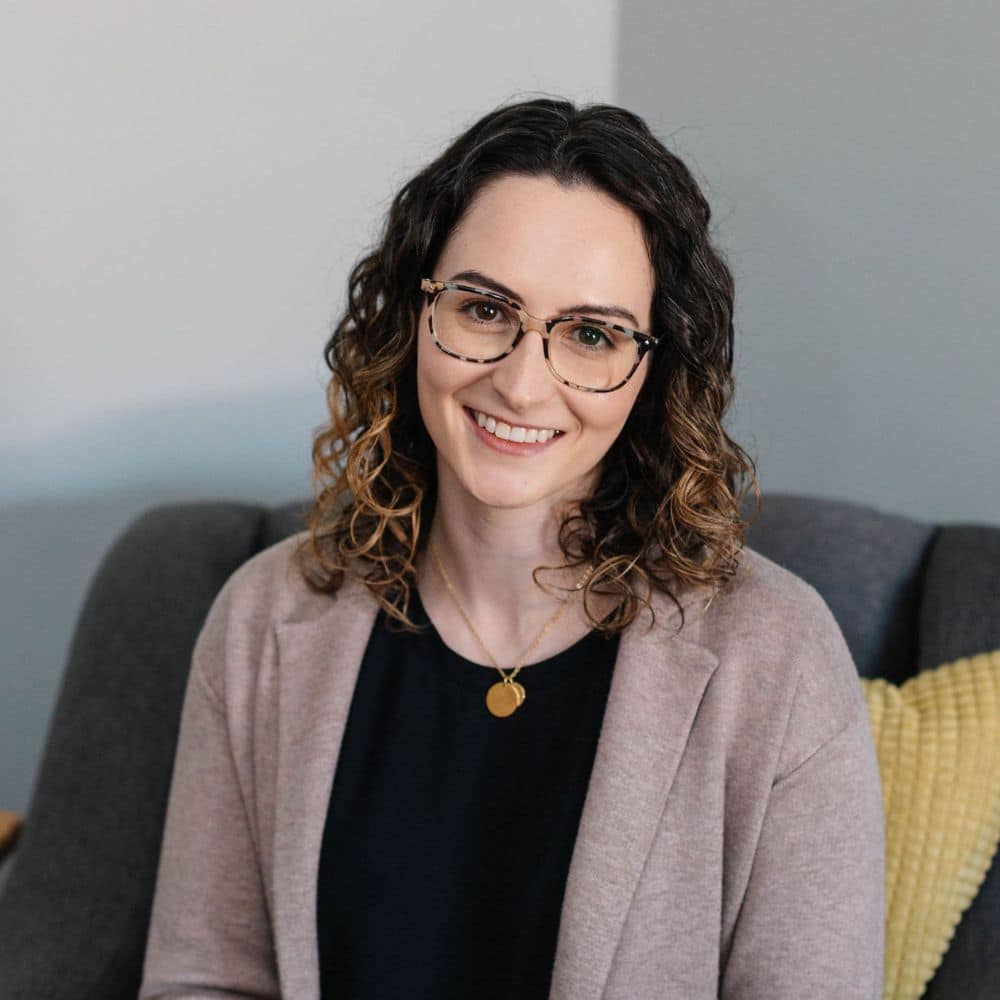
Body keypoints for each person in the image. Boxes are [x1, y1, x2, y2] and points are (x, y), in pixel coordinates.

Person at [139, 98, 885, 999]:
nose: (523, 384)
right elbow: (203, 981)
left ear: (655, 370)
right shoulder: (264, 617)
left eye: (592, 333)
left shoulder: (780, 660)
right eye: (486, 309)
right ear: (413, 313)